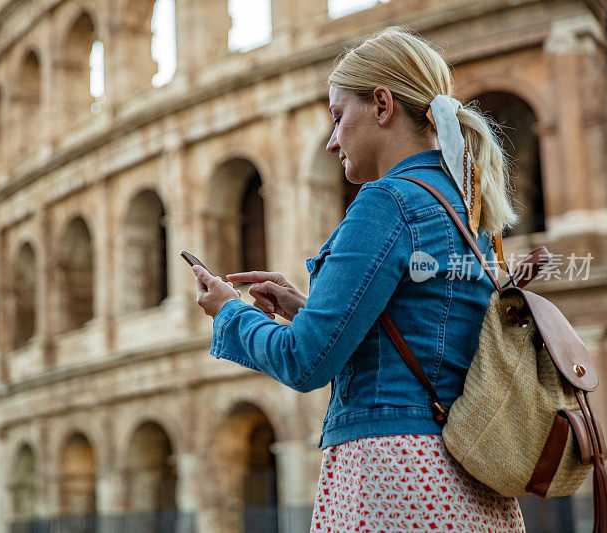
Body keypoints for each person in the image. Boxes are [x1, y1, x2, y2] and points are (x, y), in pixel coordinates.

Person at [191, 26, 525, 531]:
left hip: (393, 475)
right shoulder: (465, 209)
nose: (331, 141)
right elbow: (420, 329)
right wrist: (308, 309)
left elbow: (305, 362)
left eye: (338, 117)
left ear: (383, 105)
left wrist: (229, 312)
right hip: (467, 483)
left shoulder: (387, 203)